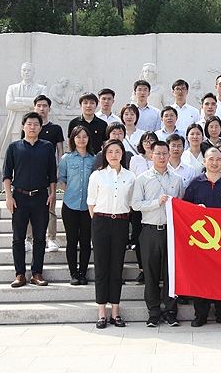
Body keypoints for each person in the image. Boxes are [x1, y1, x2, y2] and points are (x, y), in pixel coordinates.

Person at [183, 147, 221, 327]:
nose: (215, 162)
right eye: (211, 159)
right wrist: (195, 209)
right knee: (201, 276)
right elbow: (184, 207)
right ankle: (201, 314)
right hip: (202, 240)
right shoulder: (195, 182)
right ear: (204, 161)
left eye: (218, 159)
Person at [131, 141, 184, 327]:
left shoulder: (177, 179)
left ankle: (170, 311)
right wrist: (156, 202)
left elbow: (181, 204)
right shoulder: (142, 179)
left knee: (170, 273)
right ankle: (153, 311)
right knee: (151, 273)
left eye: (165, 153)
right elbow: (135, 204)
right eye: (158, 154)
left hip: (171, 232)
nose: (162, 157)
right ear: (151, 156)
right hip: (150, 231)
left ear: (169, 155)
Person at [3, 112, 57, 288]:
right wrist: (9, 196)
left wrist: (52, 194)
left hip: (41, 197)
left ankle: (36, 273)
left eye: (36, 124)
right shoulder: (14, 147)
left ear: (40, 128)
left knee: (39, 238)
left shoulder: (47, 147)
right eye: (29, 124)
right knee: (18, 238)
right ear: (23, 126)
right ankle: (20, 274)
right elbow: (7, 174)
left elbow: (52, 173)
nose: (32, 127)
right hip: (19, 197)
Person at [87, 139, 135, 328]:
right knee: (101, 267)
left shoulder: (130, 176)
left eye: (117, 151)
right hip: (101, 221)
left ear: (123, 154)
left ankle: (115, 311)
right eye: (110, 152)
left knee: (116, 267)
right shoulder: (97, 175)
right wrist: (100, 221)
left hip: (121, 222)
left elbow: (131, 203)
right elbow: (91, 202)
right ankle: (101, 312)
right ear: (104, 155)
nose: (114, 155)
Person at [21, 95, 64, 253]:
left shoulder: (55, 129)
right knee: (30, 208)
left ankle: (51, 238)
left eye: (45, 106)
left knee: (50, 207)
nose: (42, 108)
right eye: (39, 105)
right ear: (34, 108)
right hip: (31, 176)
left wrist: (59, 169)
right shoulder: (29, 128)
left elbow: (60, 151)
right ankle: (28, 239)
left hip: (48, 175)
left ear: (49, 109)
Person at [59, 126, 96, 286]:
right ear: (73, 139)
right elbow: (62, 179)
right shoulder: (66, 159)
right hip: (70, 205)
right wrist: (71, 193)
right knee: (72, 240)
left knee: (86, 241)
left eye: (84, 137)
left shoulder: (94, 159)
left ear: (88, 139)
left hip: (88, 207)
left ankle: (83, 272)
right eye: (78, 137)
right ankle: (73, 273)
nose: (81, 140)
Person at [0, 62, 46, 171]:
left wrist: (20, 100)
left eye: (29, 70)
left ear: (34, 73)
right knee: (16, 151)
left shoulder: (41, 88)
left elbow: (41, 103)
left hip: (35, 125)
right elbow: (9, 105)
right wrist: (30, 104)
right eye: (24, 70)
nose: (26, 72)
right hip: (16, 124)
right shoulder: (12, 88)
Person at [128, 131, 159, 284]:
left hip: (156, 204)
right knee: (139, 238)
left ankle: (156, 270)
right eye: (145, 141)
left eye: (151, 140)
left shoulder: (159, 158)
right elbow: (131, 181)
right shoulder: (135, 160)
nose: (148, 143)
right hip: (139, 205)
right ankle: (142, 270)